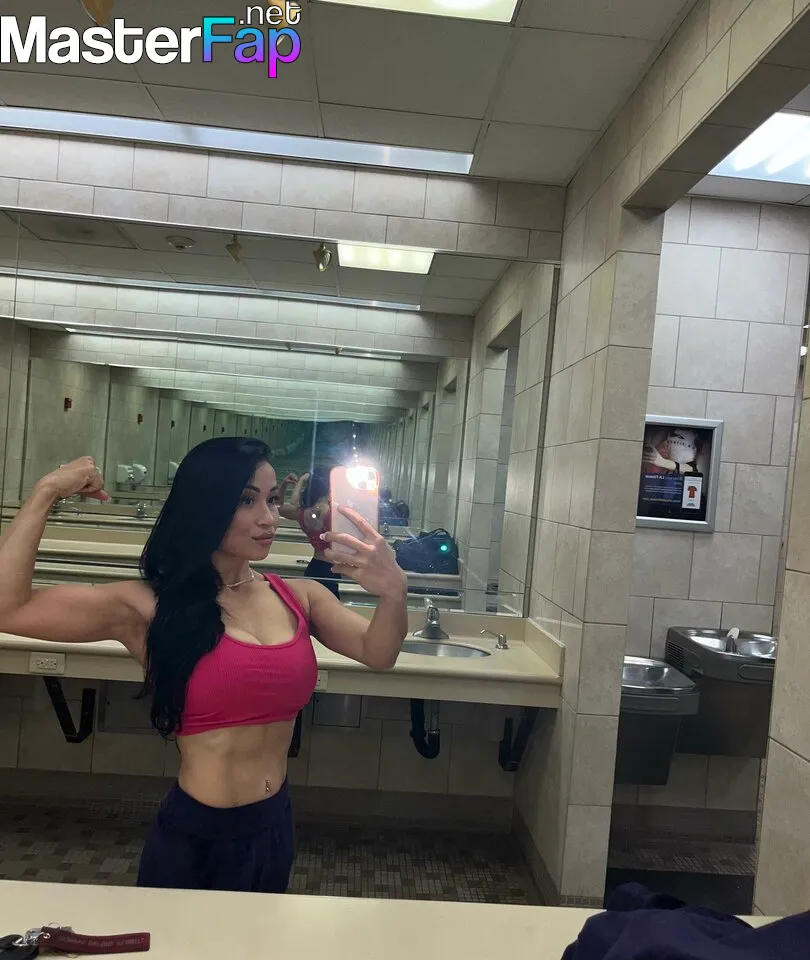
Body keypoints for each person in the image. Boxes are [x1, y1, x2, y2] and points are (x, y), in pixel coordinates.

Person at [0, 438, 407, 893]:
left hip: (274, 826)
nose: (269, 517)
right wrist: (47, 492)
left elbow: (378, 653)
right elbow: (8, 608)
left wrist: (393, 592)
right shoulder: (150, 606)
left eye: (273, 499)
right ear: (206, 505)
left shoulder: (299, 596)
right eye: (246, 500)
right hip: (196, 836)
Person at [277, 467, 341, 598]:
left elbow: (277, 506)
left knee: (311, 607)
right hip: (330, 570)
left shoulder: (301, 512)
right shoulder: (335, 512)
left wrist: (288, 484)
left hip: (314, 567)